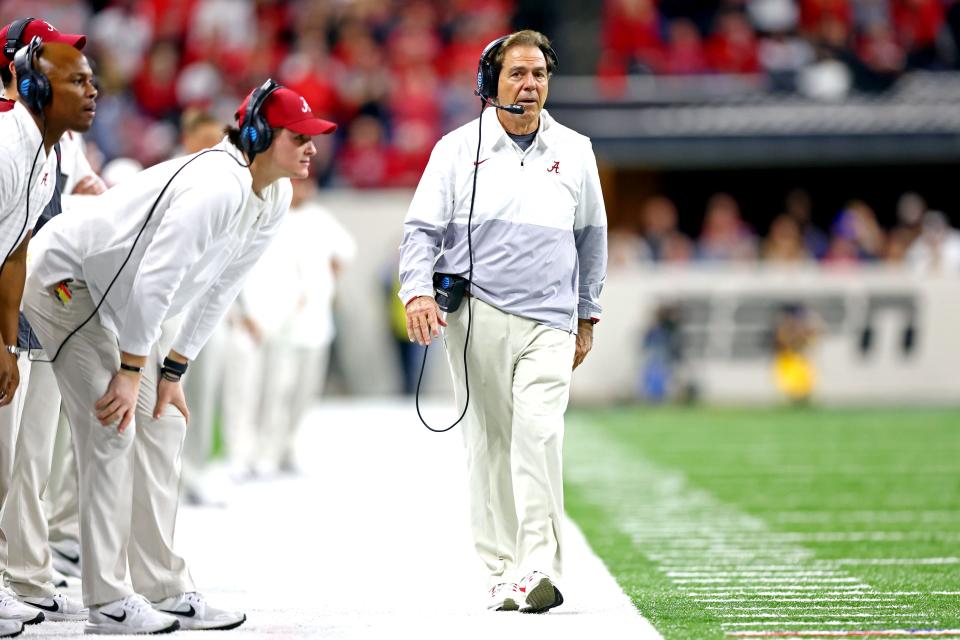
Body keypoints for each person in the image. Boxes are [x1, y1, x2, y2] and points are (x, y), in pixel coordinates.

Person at [22, 80, 336, 634]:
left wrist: (172, 372)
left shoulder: (275, 194)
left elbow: (220, 287)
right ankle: (108, 601)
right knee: (112, 429)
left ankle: (163, 586)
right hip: (64, 283)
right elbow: (155, 285)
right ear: (261, 135)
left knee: (162, 424)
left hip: (110, 301)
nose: (312, 148)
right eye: (299, 136)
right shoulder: (216, 185)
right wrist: (128, 372)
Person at [398, 30, 607, 614]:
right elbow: (421, 231)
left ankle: (537, 565)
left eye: (539, 73)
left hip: (550, 319)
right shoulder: (456, 149)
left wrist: (587, 314)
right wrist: (416, 292)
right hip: (476, 316)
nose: (530, 84)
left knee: (538, 434)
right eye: (517, 73)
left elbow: (593, 239)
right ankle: (500, 571)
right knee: (488, 444)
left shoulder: (577, 150)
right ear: (491, 82)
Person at [0, 17, 102, 624]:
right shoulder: (9, 141)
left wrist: (7, 340)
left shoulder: (46, 146)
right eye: (68, 74)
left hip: (25, 292)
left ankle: (25, 570)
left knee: (21, 453)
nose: (87, 88)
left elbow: (14, 250)